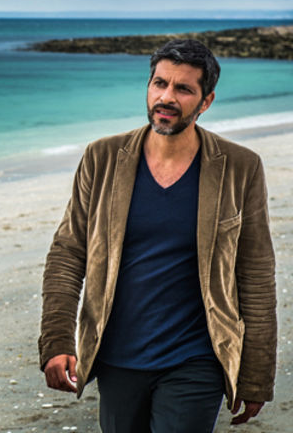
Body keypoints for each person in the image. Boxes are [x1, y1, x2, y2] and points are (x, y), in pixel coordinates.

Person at [38, 39, 277, 432]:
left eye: (183, 89)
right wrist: (57, 340)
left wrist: (256, 376)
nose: (167, 97)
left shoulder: (240, 167)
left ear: (206, 101)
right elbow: (67, 253)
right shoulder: (102, 157)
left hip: (197, 357)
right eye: (160, 83)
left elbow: (255, 277)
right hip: (116, 356)